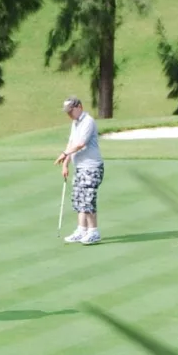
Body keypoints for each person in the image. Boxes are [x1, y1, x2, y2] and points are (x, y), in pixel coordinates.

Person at [56, 96, 102, 244]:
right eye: (67, 112)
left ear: (79, 107)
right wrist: (66, 163)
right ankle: (81, 230)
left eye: (71, 111)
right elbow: (71, 143)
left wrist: (64, 154)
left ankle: (93, 231)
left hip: (91, 167)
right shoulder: (75, 123)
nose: (69, 114)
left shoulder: (88, 121)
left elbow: (81, 144)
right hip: (80, 167)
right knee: (79, 199)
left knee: (88, 200)